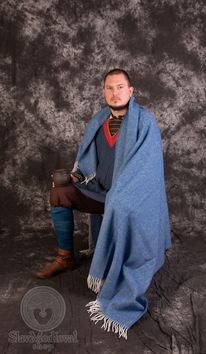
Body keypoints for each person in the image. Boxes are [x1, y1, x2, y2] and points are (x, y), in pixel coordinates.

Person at [36, 68, 171, 339]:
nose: (115, 92)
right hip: (98, 191)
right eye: (109, 88)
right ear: (104, 92)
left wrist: (121, 194)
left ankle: (115, 269)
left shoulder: (144, 122)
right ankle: (66, 257)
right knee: (59, 192)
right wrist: (75, 176)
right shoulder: (99, 120)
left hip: (128, 197)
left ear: (131, 91)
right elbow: (88, 163)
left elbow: (147, 170)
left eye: (120, 87)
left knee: (120, 203)